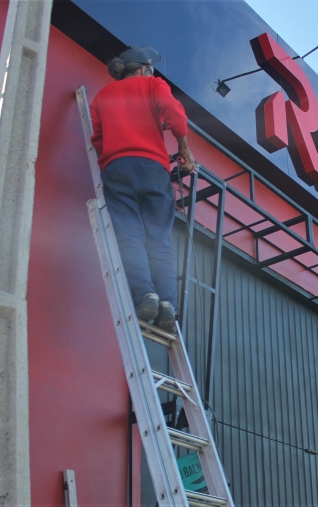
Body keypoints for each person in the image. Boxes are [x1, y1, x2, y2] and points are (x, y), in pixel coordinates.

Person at [90, 46, 195, 332]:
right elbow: (173, 112)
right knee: (159, 239)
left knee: (129, 237)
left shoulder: (101, 97)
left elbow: (97, 139)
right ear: (143, 69)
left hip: (116, 169)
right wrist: (185, 149)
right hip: (152, 169)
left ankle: (145, 295)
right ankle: (167, 305)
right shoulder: (153, 85)